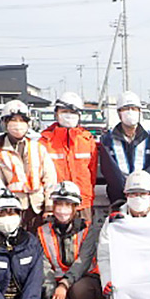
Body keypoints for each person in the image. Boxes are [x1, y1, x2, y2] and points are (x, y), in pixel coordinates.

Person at [38, 181, 102, 299]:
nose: (62, 209)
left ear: (76, 207)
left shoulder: (88, 229)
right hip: (56, 282)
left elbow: (84, 261)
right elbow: (44, 267)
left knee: (81, 290)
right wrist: (52, 292)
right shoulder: (42, 232)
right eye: (58, 204)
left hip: (83, 279)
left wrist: (64, 285)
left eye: (68, 204)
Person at [97, 171, 150, 299]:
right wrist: (107, 281)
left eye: (142, 193)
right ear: (126, 196)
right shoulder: (114, 223)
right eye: (132, 194)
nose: (137, 198)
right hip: (125, 282)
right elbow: (104, 256)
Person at [0, 99, 57, 232]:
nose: (18, 125)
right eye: (13, 120)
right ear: (5, 123)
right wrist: (5, 208)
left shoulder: (37, 148)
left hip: (38, 208)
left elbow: (50, 179)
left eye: (22, 120)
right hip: (12, 209)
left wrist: (49, 206)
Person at [40, 91, 98, 221]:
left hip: (82, 204)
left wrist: (87, 199)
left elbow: (92, 174)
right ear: (56, 113)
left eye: (73, 112)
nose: (69, 115)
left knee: (84, 239)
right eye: (65, 111)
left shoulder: (87, 140)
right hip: (56, 204)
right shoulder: (44, 142)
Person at [98, 91, 150, 205]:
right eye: (126, 108)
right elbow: (109, 170)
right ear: (119, 113)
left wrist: (139, 188)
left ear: (139, 112)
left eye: (134, 108)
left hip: (143, 196)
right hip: (118, 197)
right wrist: (127, 189)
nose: (130, 112)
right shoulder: (107, 140)